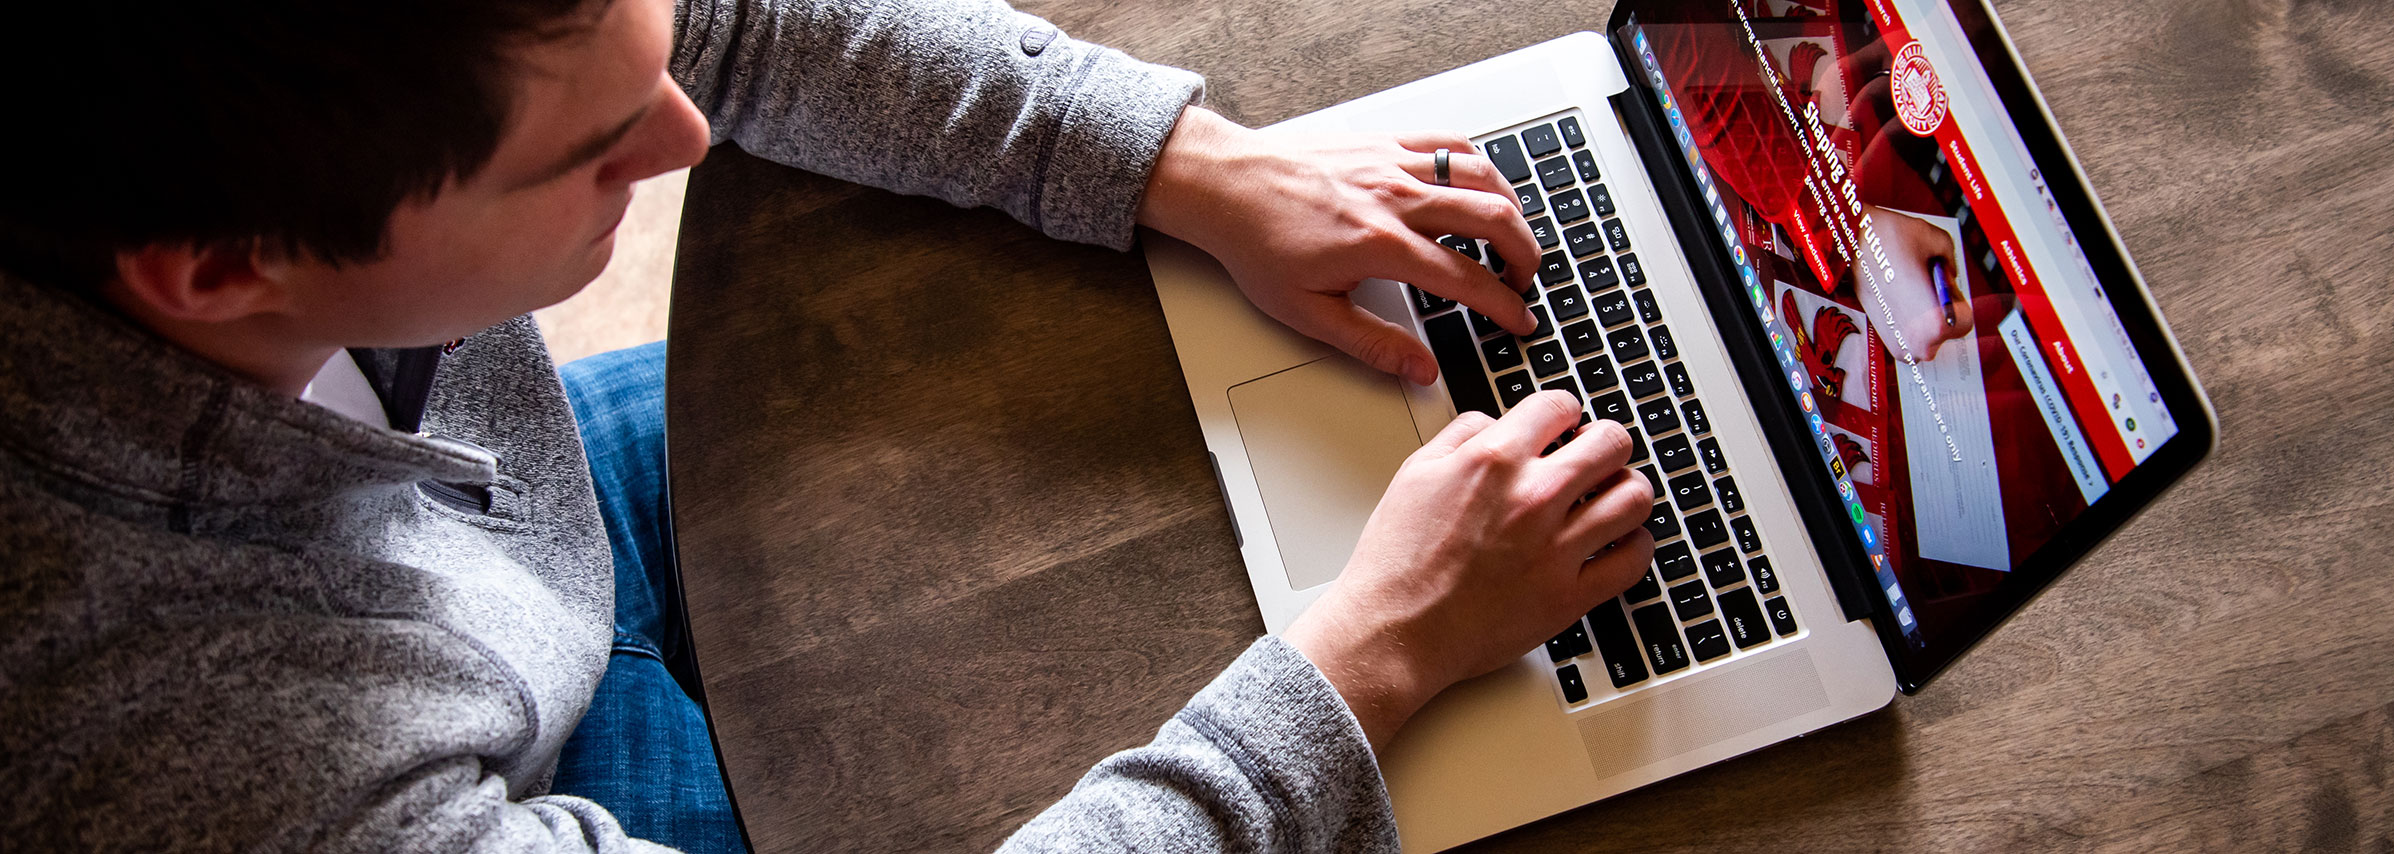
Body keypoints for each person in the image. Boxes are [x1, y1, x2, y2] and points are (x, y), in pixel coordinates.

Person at [0, 0, 1655, 850]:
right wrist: (1363, 664)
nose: (688, 132)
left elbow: (708, 22)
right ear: (221, 270)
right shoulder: (199, 759)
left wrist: (1179, 162)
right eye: (585, 159)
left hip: (513, 513)